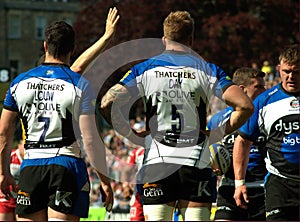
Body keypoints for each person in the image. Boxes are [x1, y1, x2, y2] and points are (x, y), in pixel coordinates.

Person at [100, 10, 254, 221]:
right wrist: (217, 133)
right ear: (191, 40)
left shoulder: (145, 70)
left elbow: (107, 102)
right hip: (195, 162)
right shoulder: (207, 70)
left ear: (164, 40)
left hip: (157, 162)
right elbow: (245, 106)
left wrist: (129, 133)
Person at [0, 9, 119, 220]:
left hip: (31, 166)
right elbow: (90, 140)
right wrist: (105, 180)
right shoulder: (77, 84)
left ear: (45, 46)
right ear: (72, 49)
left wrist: (3, 172)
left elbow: (3, 133)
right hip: (66, 166)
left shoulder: (19, 83)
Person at [233, 44, 300, 221]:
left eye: (297, 72)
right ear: (279, 69)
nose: (291, 76)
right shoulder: (264, 101)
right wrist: (239, 182)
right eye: (286, 71)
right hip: (279, 184)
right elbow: (243, 141)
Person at [207, 67, 267, 221]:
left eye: (264, 86)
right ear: (242, 89)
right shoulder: (217, 120)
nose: (264, 90)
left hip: (262, 187)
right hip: (229, 186)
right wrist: (212, 163)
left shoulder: (267, 115)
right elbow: (208, 151)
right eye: (258, 87)